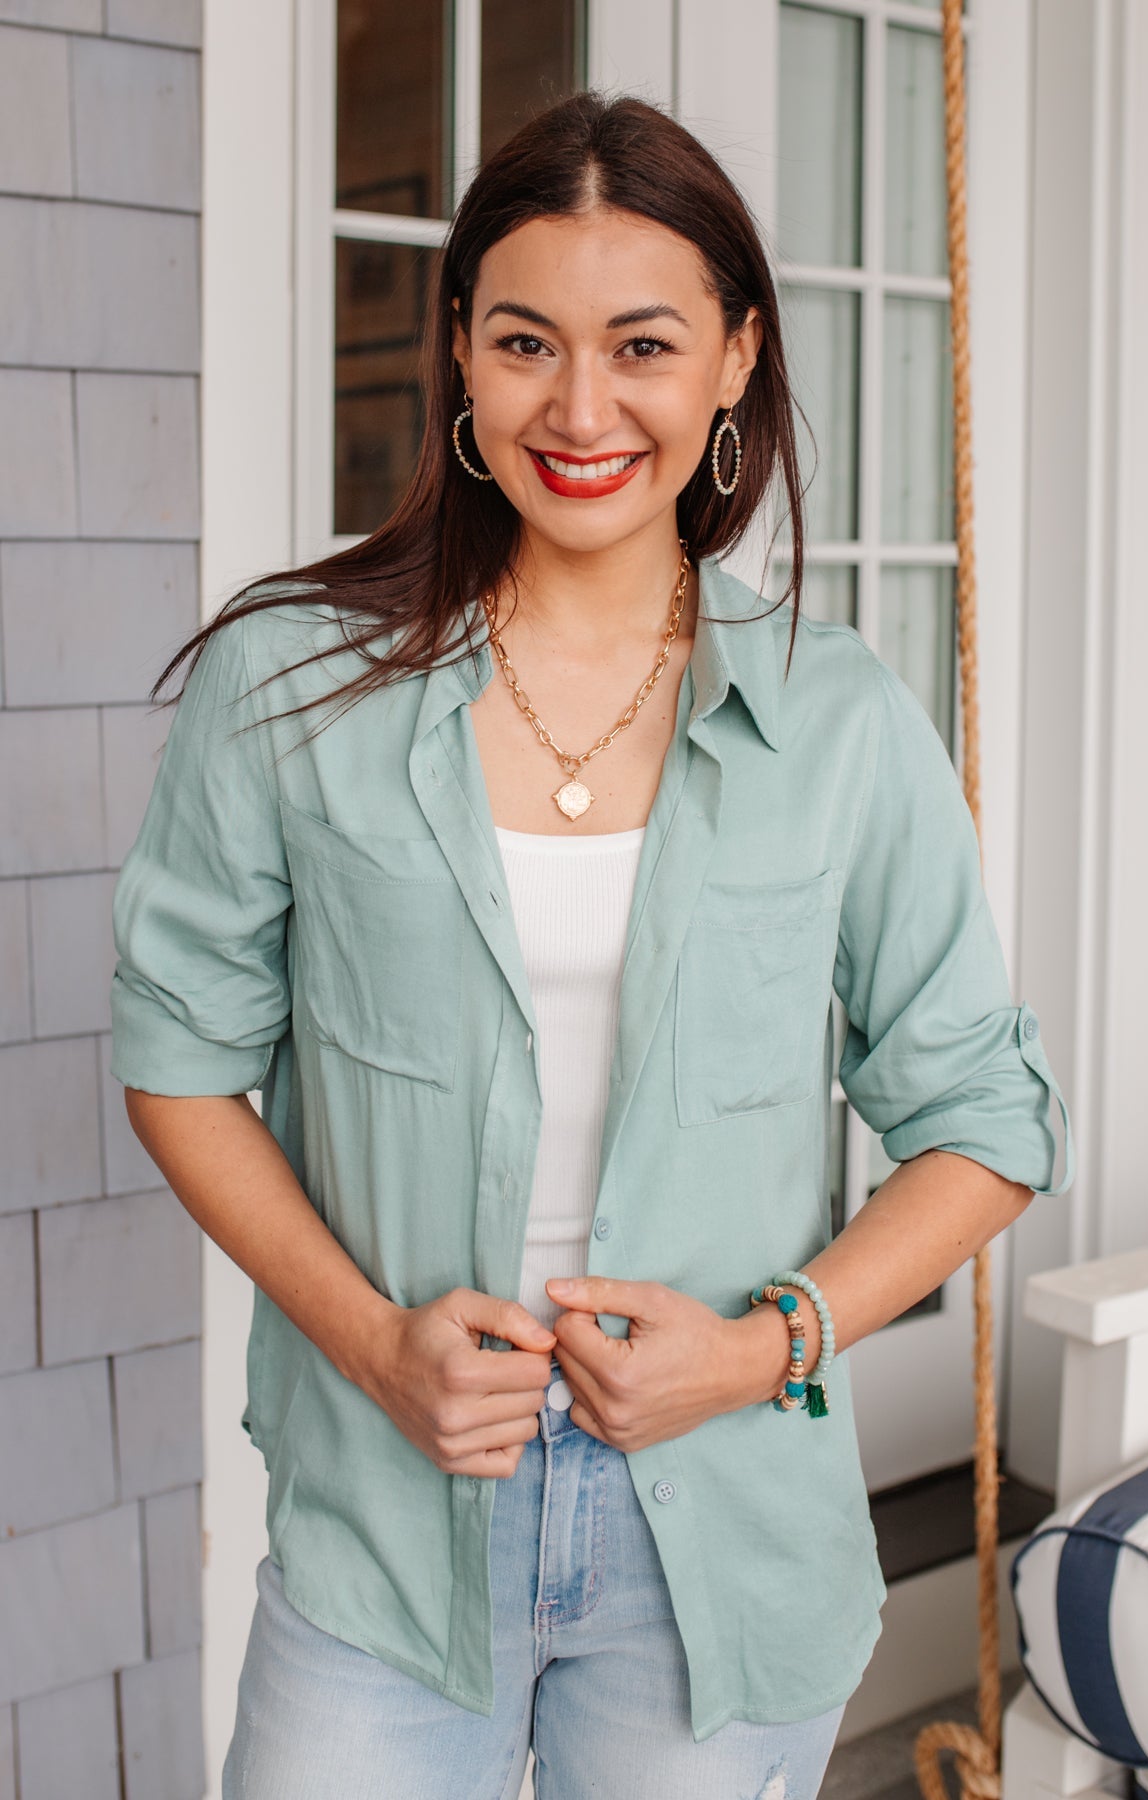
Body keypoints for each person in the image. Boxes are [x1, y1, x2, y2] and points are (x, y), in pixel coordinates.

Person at [109, 89, 1075, 1800]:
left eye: (642, 344)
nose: (580, 407)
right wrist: (370, 1345)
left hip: (716, 1543)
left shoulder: (840, 723)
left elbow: (986, 1125)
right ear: (461, 361)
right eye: (526, 341)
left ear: (731, 363)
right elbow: (181, 1063)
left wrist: (759, 1346)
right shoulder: (291, 688)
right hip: (387, 1531)